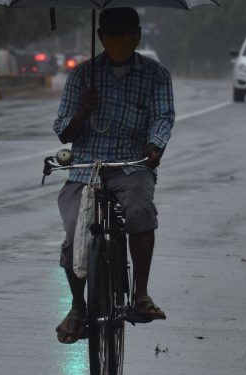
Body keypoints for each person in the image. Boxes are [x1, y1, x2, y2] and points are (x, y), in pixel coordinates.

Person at [52, 7, 173, 344]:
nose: (120, 42)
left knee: (138, 210)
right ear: (101, 37)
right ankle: (78, 308)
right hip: (86, 168)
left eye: (126, 36)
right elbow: (64, 131)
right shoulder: (82, 76)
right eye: (113, 36)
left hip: (132, 165)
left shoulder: (156, 75)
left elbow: (163, 117)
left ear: (137, 36)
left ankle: (141, 295)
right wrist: (83, 110)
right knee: (74, 234)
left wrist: (155, 146)